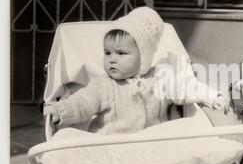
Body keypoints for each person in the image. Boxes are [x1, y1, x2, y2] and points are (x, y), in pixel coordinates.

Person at [43, 7, 227, 134]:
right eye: (107, 53)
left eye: (121, 53)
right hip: (110, 143)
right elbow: (83, 103)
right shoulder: (104, 85)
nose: (112, 59)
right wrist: (60, 111)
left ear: (143, 58)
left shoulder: (160, 79)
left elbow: (186, 88)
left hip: (150, 142)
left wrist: (210, 96)